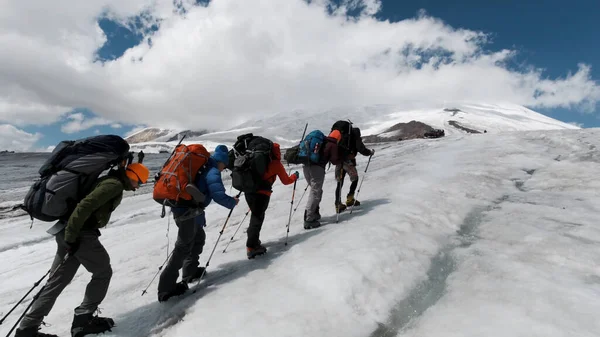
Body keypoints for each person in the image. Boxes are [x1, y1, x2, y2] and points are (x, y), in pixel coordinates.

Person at [15, 162, 150, 337]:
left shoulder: (108, 180)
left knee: (56, 281)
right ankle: (83, 320)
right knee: (103, 272)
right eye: (139, 182)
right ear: (132, 176)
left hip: (67, 232)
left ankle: (27, 328)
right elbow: (85, 206)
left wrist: (69, 237)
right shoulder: (113, 185)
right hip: (80, 235)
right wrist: (72, 238)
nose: (138, 187)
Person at [157, 145, 239, 302]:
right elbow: (218, 195)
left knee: (198, 238)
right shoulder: (212, 170)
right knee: (183, 247)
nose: (224, 169)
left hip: (183, 208)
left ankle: (190, 271)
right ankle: (166, 288)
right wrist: (232, 202)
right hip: (187, 211)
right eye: (225, 165)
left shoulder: (204, 165)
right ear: (222, 161)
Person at [245, 142, 298, 259]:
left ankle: (253, 240)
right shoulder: (275, 164)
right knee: (257, 218)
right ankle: (252, 246)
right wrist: (295, 176)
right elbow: (286, 180)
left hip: (249, 191)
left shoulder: (253, 158)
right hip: (262, 193)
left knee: (255, 216)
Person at [302, 130, 342, 229]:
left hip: (306, 166)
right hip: (317, 168)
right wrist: (342, 159)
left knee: (316, 191)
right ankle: (309, 218)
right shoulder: (333, 145)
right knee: (315, 192)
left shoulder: (322, 141)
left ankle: (314, 213)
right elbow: (334, 161)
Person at [335, 127, 374, 213]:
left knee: (339, 182)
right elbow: (361, 149)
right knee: (355, 179)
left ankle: (338, 204)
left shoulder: (342, 136)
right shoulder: (355, 136)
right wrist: (369, 153)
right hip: (348, 161)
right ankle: (350, 199)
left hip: (339, 161)